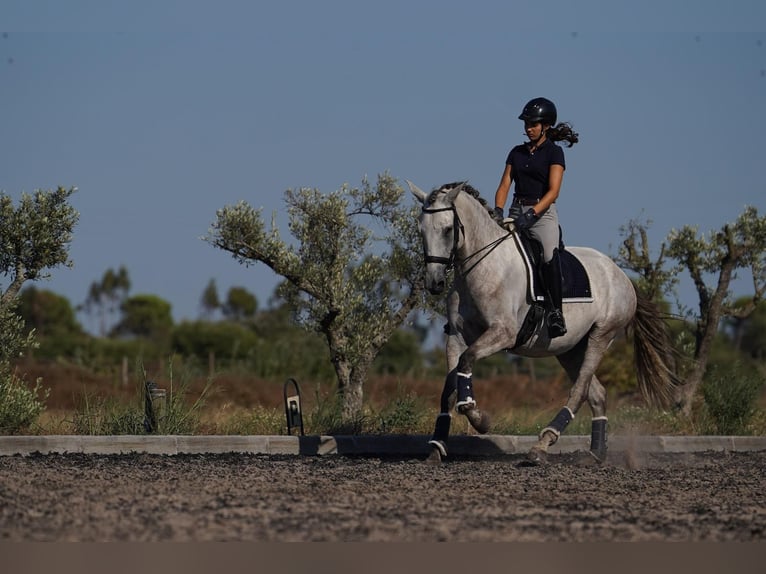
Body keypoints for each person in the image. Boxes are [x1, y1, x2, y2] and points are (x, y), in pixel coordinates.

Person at [492, 97, 579, 338]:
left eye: (533, 124)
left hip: (542, 214)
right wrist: (498, 211)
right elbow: (504, 185)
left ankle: (555, 313)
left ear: (546, 126)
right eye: (527, 124)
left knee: (549, 255)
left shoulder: (555, 153)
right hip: (516, 210)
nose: (528, 128)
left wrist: (532, 214)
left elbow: (553, 191)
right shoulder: (516, 152)